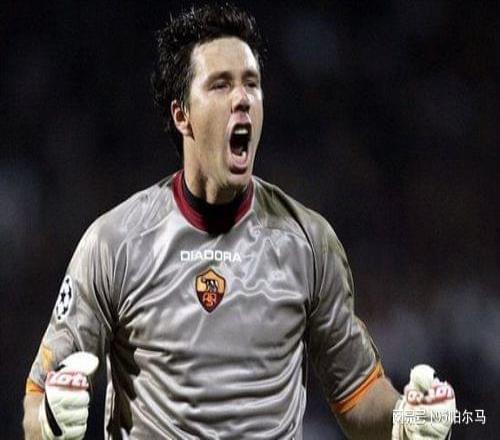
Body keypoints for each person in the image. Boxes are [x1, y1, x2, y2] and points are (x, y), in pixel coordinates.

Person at [23, 4, 455, 439]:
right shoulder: (114, 243)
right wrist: (50, 422)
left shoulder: (308, 242)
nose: (243, 98)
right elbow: (38, 397)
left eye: (252, 83)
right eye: (221, 84)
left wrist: (409, 420)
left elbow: (359, 396)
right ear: (181, 115)